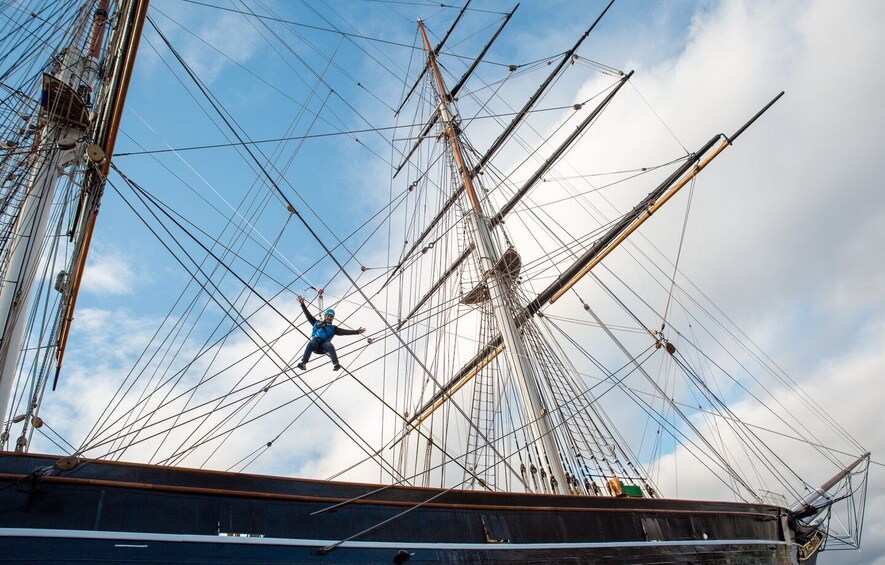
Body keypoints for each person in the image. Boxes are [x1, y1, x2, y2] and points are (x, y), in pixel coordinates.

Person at [295, 295, 365, 371]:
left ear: (333, 318)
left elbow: (345, 332)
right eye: (328, 316)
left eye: (331, 317)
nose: (329, 318)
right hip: (316, 343)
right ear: (325, 316)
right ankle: (303, 363)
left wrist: (356, 332)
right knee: (311, 343)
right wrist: (302, 304)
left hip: (324, 346)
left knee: (329, 345)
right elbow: (308, 316)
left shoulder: (333, 328)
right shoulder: (317, 323)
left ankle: (336, 364)